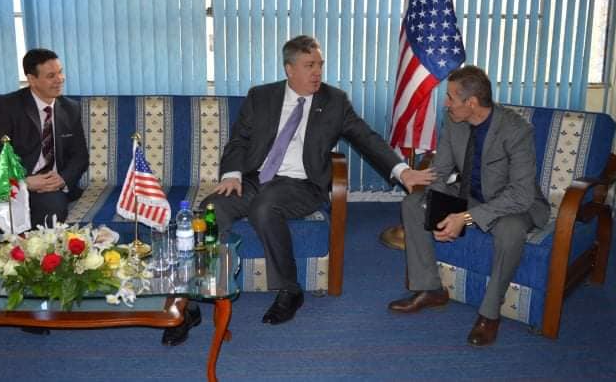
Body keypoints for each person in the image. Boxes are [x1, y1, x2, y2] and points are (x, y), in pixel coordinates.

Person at [200, 35, 435, 326]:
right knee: (212, 209)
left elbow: (367, 138)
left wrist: (401, 171)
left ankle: (290, 290)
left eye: (319, 65)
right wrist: (232, 174)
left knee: (264, 207)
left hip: (302, 184)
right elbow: (239, 140)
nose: (317, 72)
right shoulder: (261, 96)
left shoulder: (334, 101)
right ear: (289, 69)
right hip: (256, 179)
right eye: (309, 65)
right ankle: (205, 284)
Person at [388, 65, 549, 346]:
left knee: (510, 231)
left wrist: (465, 217)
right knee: (414, 203)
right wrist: (437, 212)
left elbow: (521, 194)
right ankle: (430, 289)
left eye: (450, 97)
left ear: (471, 102)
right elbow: (441, 170)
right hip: (471, 194)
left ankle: (490, 314)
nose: (445, 103)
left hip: (512, 203)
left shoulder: (516, 130)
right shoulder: (454, 121)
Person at [0, 48, 89, 228]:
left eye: (60, 72)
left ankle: (29, 244)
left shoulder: (70, 108)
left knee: (52, 211)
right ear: (32, 79)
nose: (59, 79)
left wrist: (62, 179)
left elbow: (80, 156)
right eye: (51, 76)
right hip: (10, 184)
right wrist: (23, 182)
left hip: (49, 188)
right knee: (1, 211)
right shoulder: (6, 107)